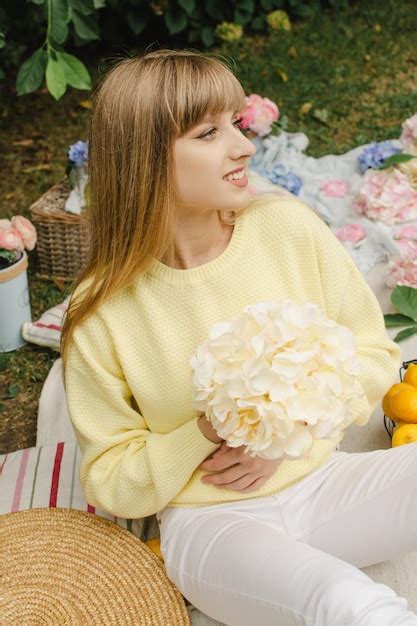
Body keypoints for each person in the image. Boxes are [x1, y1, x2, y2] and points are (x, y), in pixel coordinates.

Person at [61, 49, 417, 625]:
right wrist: (209, 428)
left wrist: (289, 429)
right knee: (348, 604)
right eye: (209, 132)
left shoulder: (288, 228)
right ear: (146, 159)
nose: (243, 146)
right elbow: (110, 479)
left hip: (325, 485)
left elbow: (375, 353)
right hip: (211, 527)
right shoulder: (101, 311)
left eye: (237, 123)